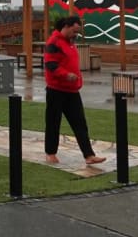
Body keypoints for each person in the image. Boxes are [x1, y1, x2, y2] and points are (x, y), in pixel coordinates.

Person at [43, 16, 106, 165]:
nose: (76, 34)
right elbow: (50, 64)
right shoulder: (53, 42)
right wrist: (65, 75)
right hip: (56, 90)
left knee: (80, 123)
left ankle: (89, 155)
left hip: (72, 91)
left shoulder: (70, 43)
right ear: (66, 26)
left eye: (78, 32)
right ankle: (50, 153)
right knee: (53, 122)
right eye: (74, 31)